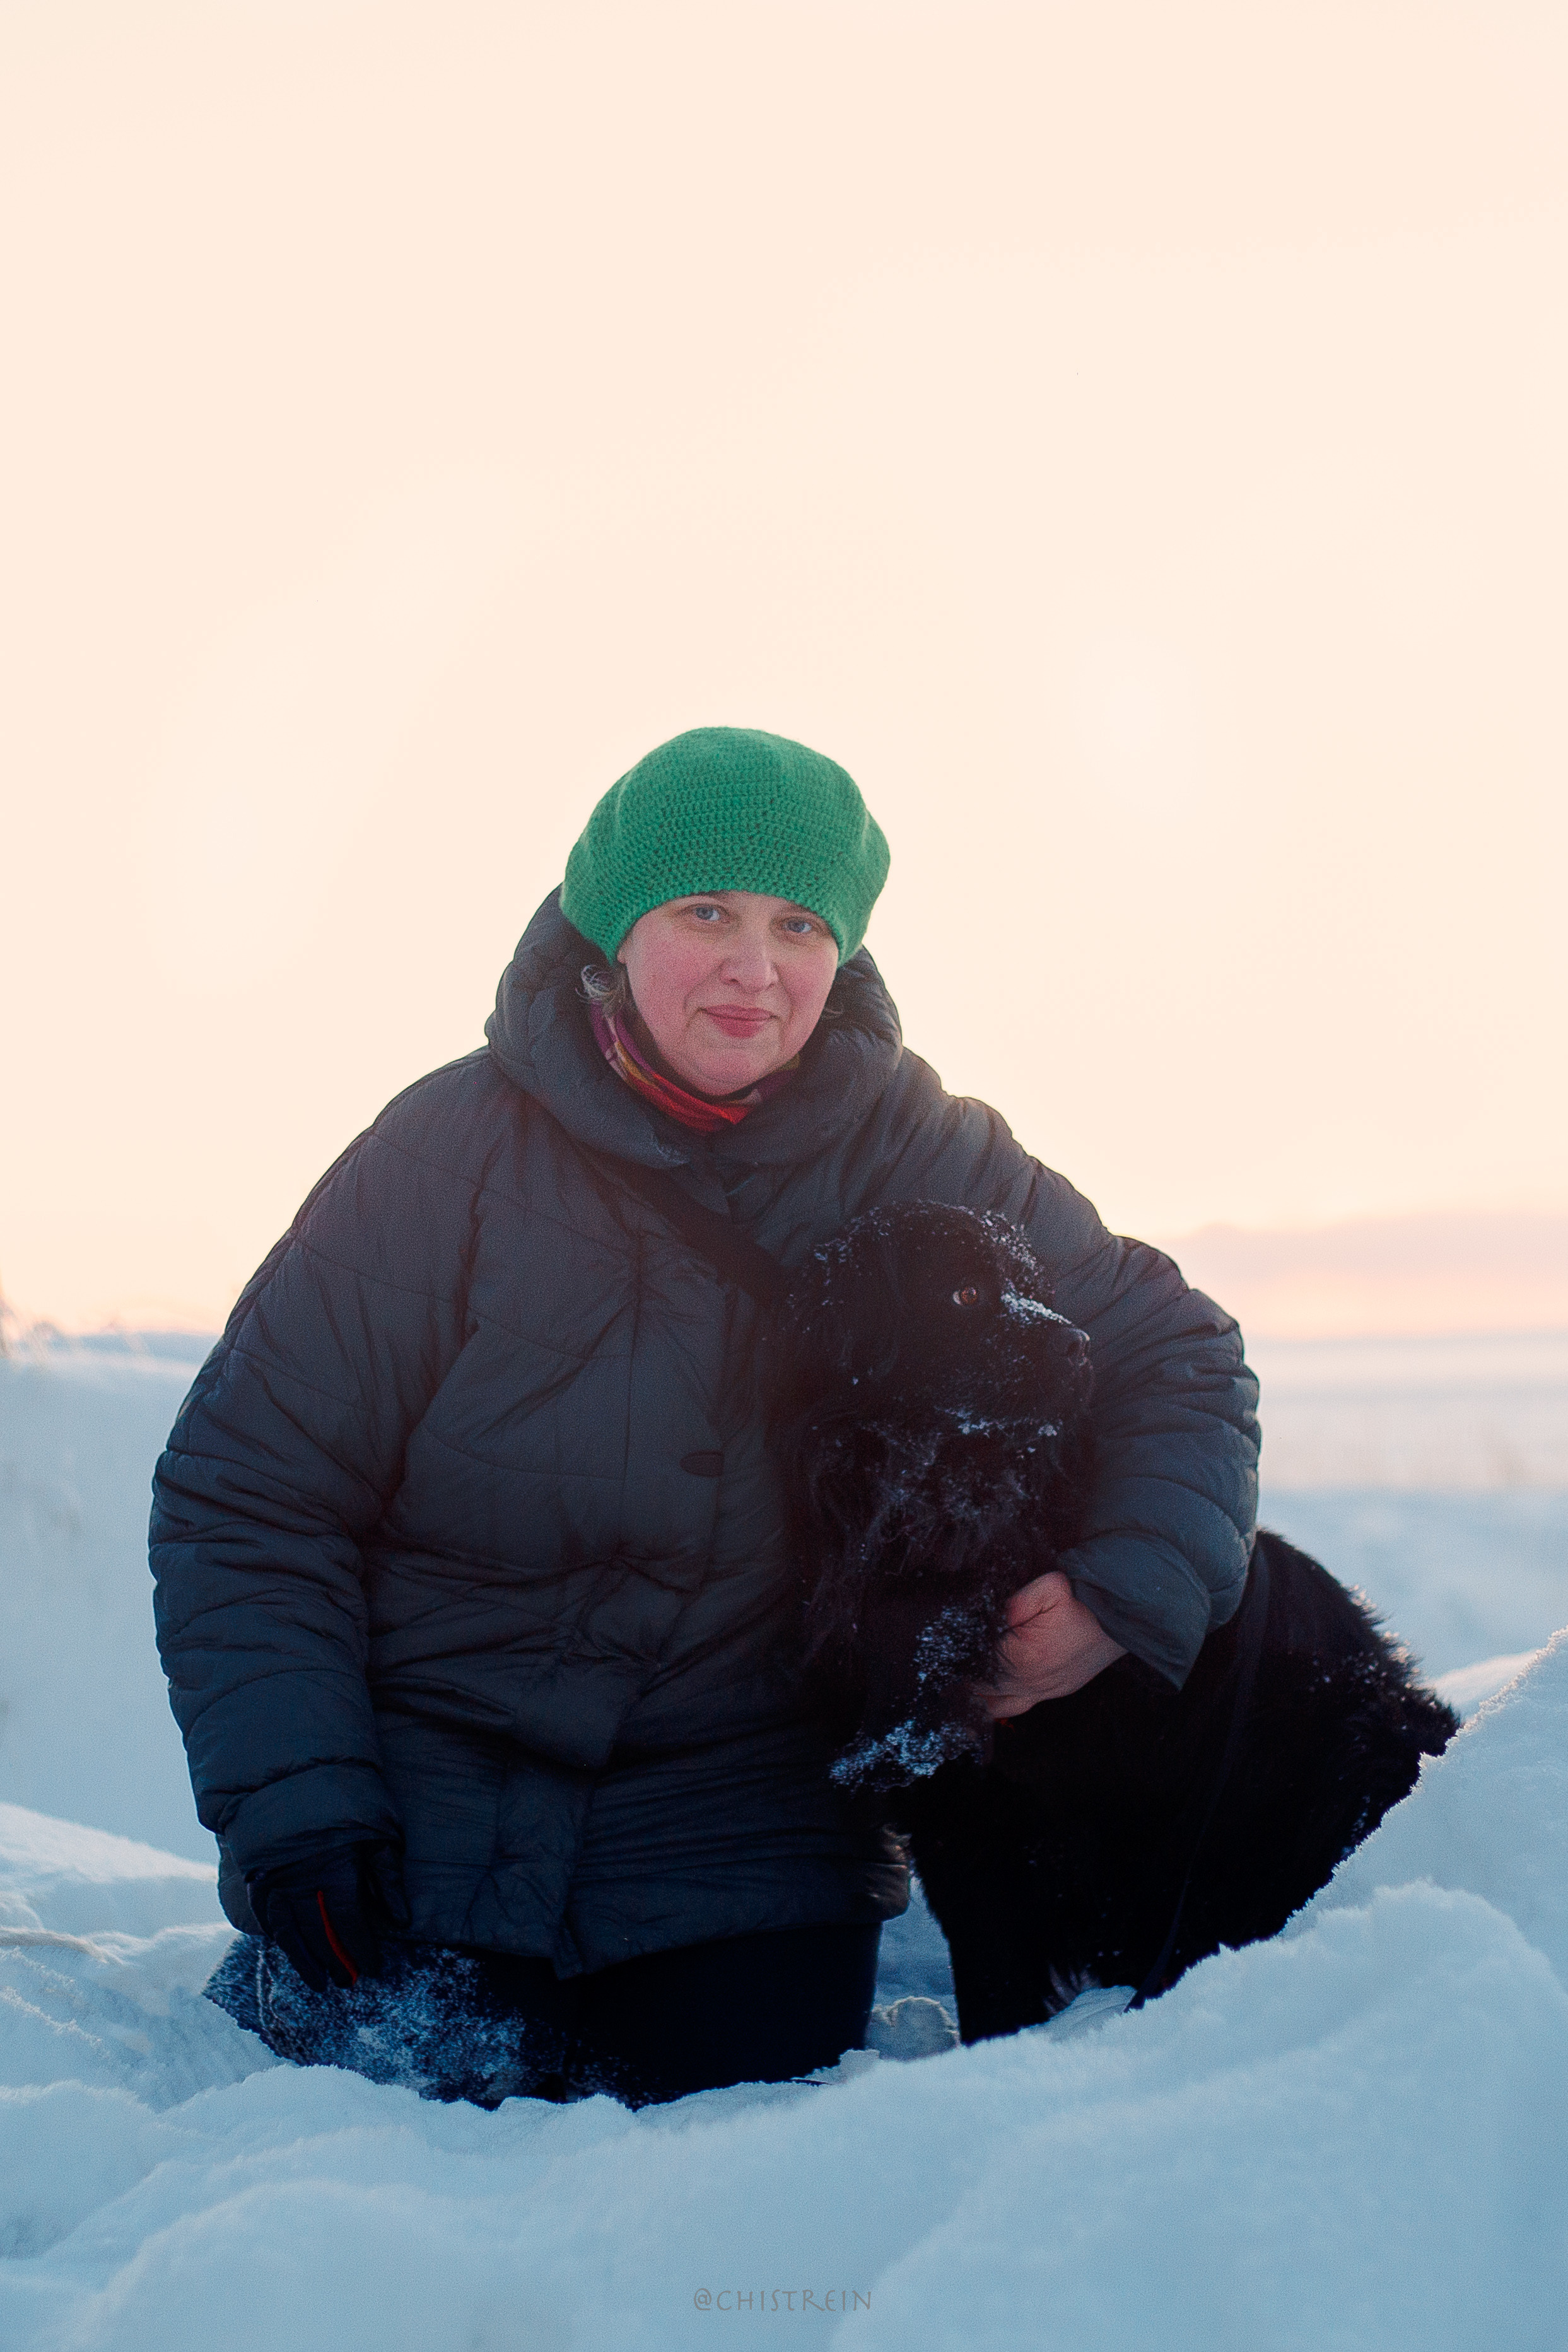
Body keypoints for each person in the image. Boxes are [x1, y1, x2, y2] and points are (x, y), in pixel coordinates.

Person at [152, 725, 1259, 2107]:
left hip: (741, 1840)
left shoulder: (928, 1150)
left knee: (718, 2187)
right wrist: (303, 1811)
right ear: (615, 929)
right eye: (706, 912)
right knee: (374, 2164)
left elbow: (1177, 1351)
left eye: (800, 925)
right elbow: (251, 1494)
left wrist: (1118, 1592)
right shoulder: (443, 1157)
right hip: (425, 1810)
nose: (755, 966)